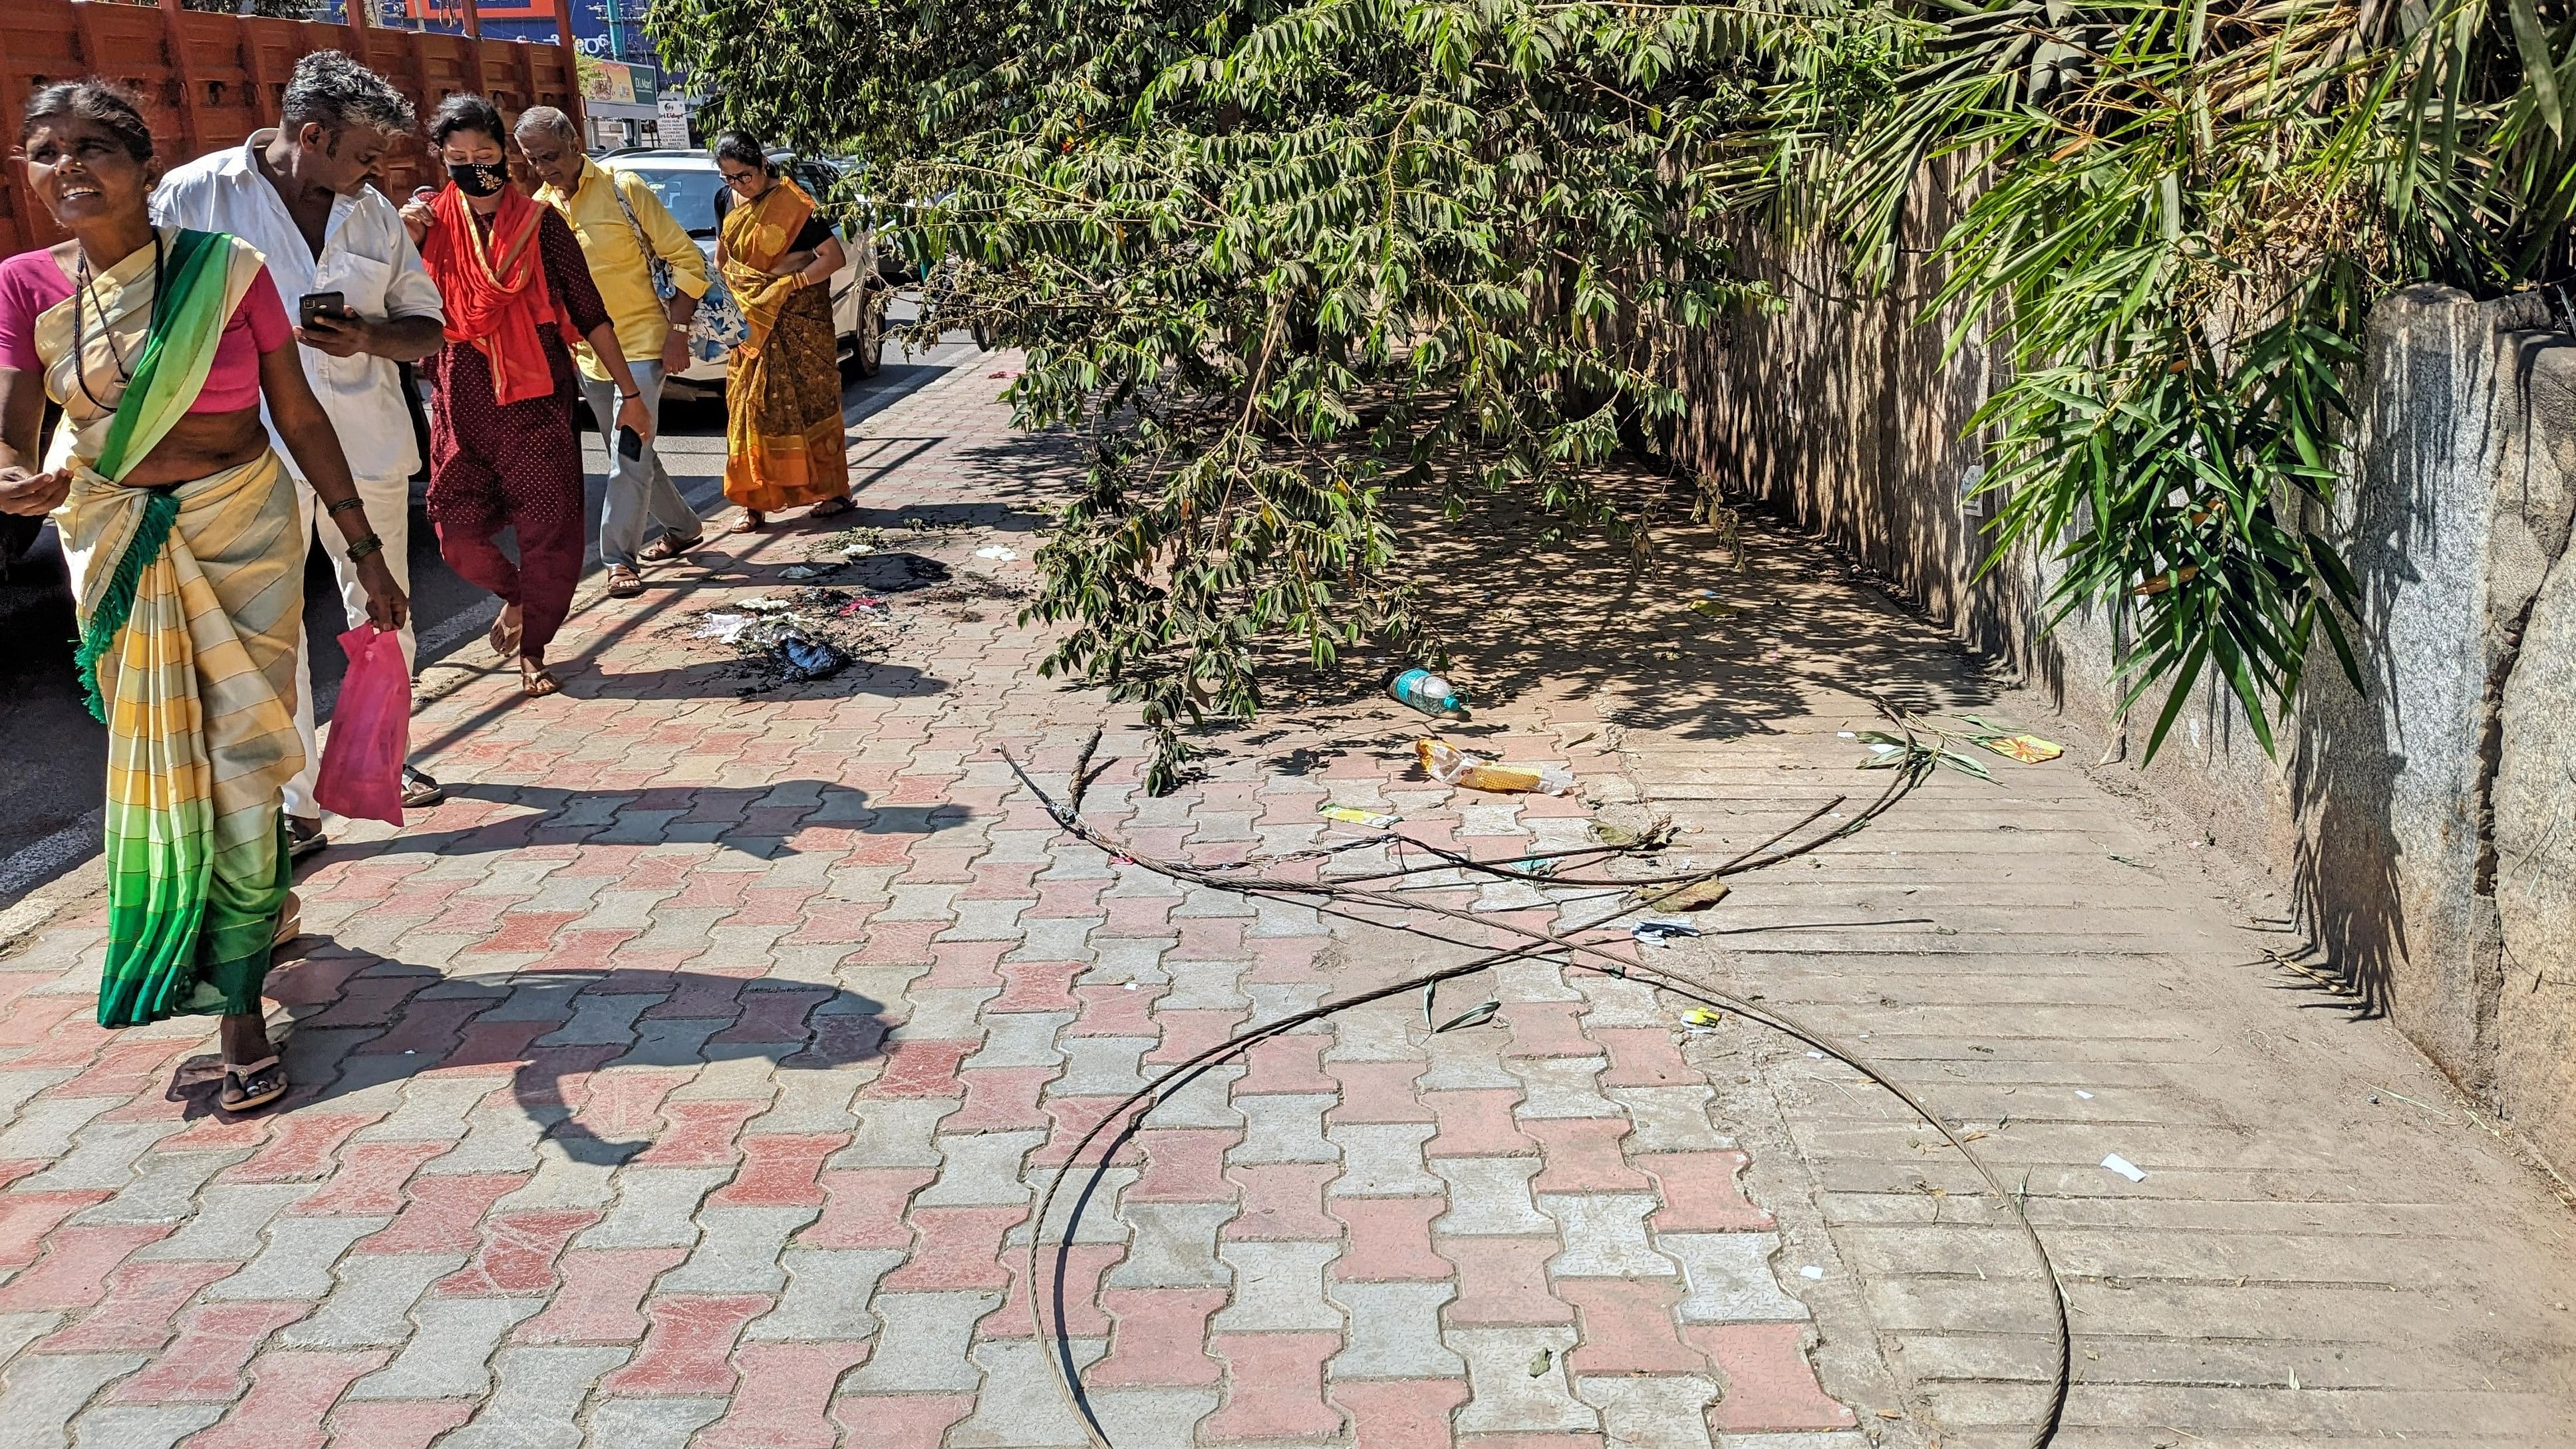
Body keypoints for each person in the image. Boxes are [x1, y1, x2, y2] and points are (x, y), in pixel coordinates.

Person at [0, 80, 407, 1111]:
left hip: (244, 530)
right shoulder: (22, 287)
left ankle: (238, 1003)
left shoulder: (228, 271)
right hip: (119, 544)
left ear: (145, 168)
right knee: (169, 765)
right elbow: (10, 437)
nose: (69, 167)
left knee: (239, 757)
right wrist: (14, 482)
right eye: (46, 151)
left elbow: (300, 414)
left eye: (94, 147)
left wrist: (363, 548)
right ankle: (231, 928)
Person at [154, 51, 448, 859]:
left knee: (382, 609)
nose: (374, 175)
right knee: (269, 631)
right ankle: (296, 802)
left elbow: (429, 325)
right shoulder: (195, 196)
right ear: (310, 134)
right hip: (249, 455)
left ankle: (381, 757)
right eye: (362, 157)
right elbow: (152, 325)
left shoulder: (374, 214)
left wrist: (367, 336)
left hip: (366, 448)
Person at [398, 95, 653, 696]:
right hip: (462, 397)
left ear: (504, 153)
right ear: (440, 158)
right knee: (455, 536)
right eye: (457, 155)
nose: (472, 165)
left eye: (483, 153)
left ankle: (533, 648)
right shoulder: (424, 222)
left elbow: (590, 313)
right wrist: (403, 234)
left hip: (538, 397)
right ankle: (516, 595)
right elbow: (385, 298)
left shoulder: (542, 225)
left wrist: (631, 394)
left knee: (549, 531)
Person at [515, 105, 708, 598]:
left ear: (575, 142)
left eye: (552, 156)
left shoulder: (625, 188)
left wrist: (678, 332)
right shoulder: (539, 209)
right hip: (589, 356)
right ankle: (684, 527)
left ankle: (618, 559)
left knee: (626, 454)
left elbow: (688, 260)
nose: (545, 168)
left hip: (644, 343)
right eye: (534, 160)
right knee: (633, 451)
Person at [710, 131, 853, 532]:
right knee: (748, 406)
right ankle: (754, 501)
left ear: (762, 166)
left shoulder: (796, 205)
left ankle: (833, 492)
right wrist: (730, 294)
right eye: (730, 178)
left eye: (745, 176)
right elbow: (724, 257)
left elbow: (833, 257)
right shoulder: (725, 201)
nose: (739, 186)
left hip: (799, 321)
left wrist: (789, 285)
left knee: (811, 403)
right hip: (750, 322)